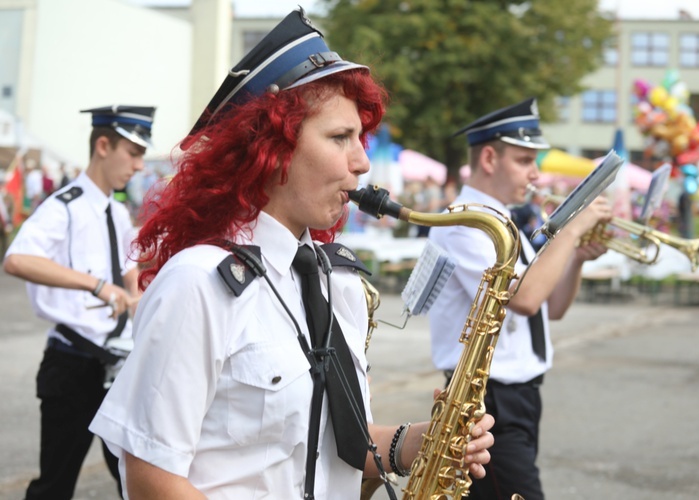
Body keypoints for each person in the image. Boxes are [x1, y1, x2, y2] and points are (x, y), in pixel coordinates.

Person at [88, 9, 494, 499]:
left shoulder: (337, 280)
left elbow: (337, 444)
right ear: (271, 149)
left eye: (359, 139)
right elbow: (151, 479)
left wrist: (418, 443)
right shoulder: (198, 283)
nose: (362, 161)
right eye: (340, 137)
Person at [427, 98, 612, 500]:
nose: (535, 174)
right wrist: (571, 230)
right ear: (490, 158)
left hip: (519, 397)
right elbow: (525, 299)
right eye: (525, 160)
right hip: (487, 400)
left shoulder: (503, 222)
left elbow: (552, 309)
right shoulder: (466, 221)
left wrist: (575, 259)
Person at [3, 104, 154, 499]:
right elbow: (17, 259)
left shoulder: (118, 212)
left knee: (135, 483)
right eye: (133, 154)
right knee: (54, 486)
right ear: (103, 145)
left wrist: (137, 296)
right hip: (72, 365)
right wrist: (96, 285)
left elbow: (128, 272)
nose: (138, 167)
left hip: (116, 363)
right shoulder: (64, 205)